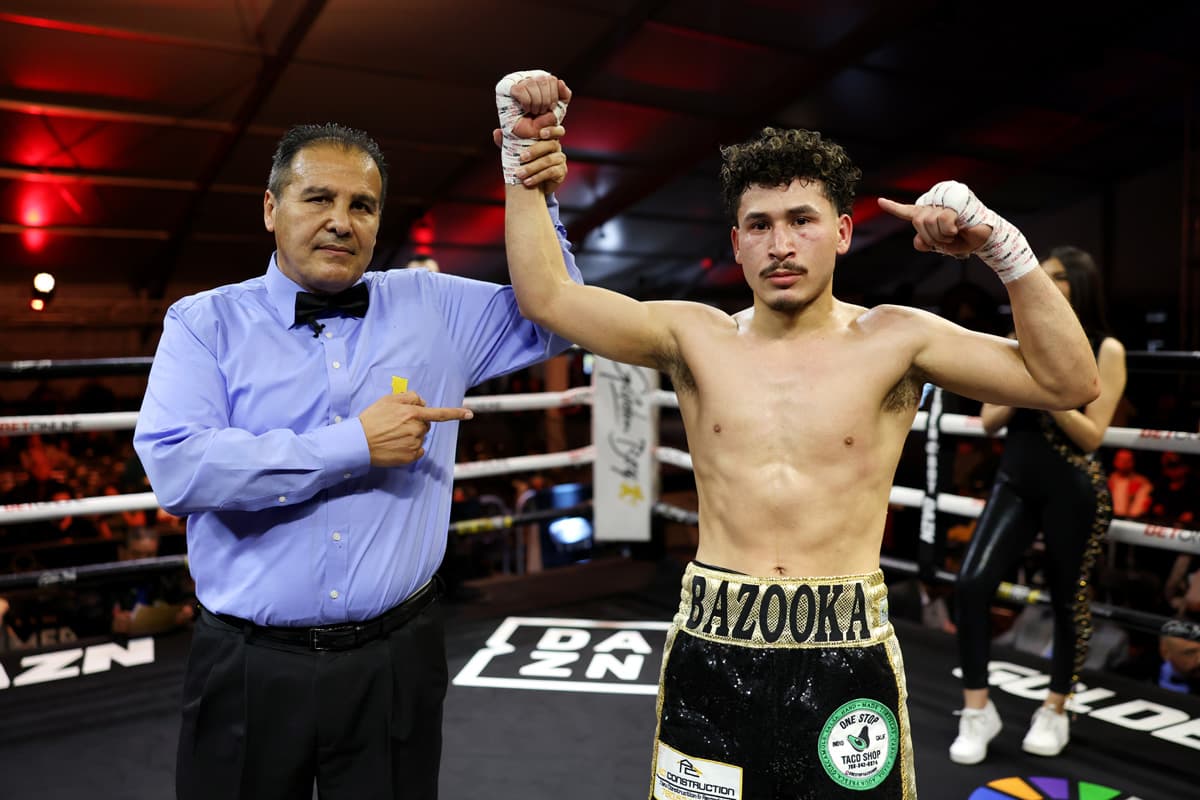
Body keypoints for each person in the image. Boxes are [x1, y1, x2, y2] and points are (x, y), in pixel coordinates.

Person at [498, 75, 1099, 798]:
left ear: (843, 232)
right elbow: (548, 297)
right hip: (712, 647)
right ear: (737, 244)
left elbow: (1070, 384)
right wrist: (521, 164)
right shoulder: (691, 335)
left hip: (844, 654)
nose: (781, 244)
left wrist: (1003, 247)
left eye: (802, 219)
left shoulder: (897, 339)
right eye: (760, 225)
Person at [133, 103, 578, 800]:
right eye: (319, 198)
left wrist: (532, 189)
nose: (342, 220)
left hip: (397, 659)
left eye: (362, 205)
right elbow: (179, 467)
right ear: (271, 209)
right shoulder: (205, 322)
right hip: (250, 665)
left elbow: (560, 317)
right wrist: (353, 446)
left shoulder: (430, 306)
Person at [950, 245, 1125, 763]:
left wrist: (1052, 391)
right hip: (1015, 482)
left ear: (1080, 286)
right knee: (971, 584)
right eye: (1040, 275)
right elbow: (987, 420)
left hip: (1072, 483)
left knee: (1067, 598)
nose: (1043, 284)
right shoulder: (1016, 337)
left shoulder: (1106, 348)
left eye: (1056, 278)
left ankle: (1056, 707)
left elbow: (1092, 435)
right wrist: (1033, 374)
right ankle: (977, 710)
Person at [1108, 447, 1153, 519]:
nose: (1124, 463)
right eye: (1121, 460)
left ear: (1133, 462)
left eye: (1128, 460)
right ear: (1115, 461)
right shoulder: (1107, 481)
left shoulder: (1142, 482)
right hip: (1110, 518)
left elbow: (1140, 508)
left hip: (1131, 519)